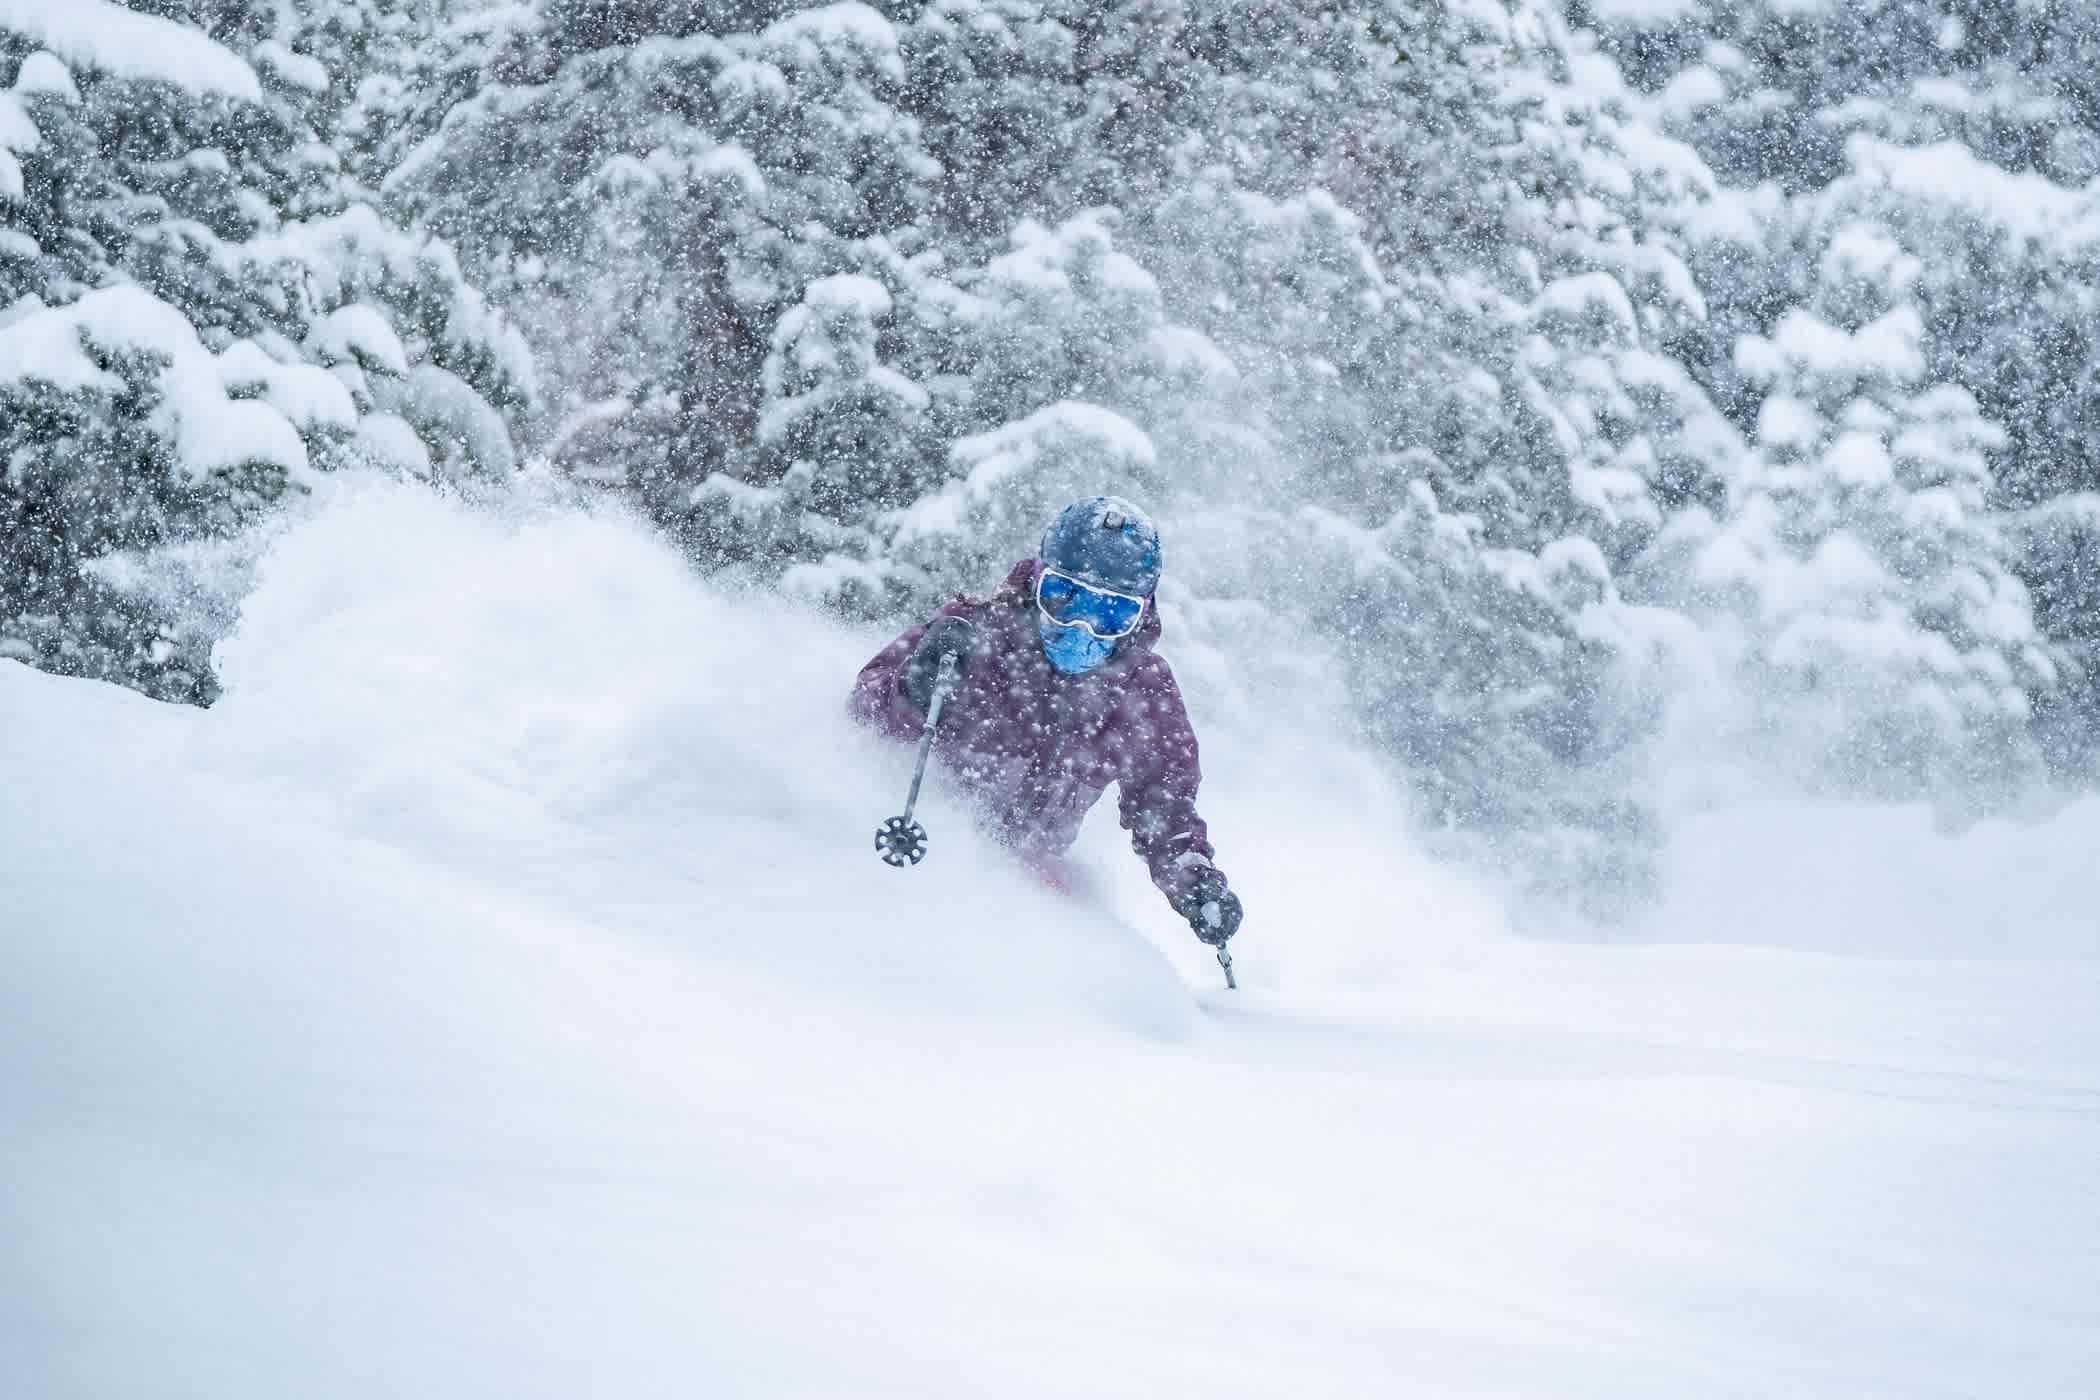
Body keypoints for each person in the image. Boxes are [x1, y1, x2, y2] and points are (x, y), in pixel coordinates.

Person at [851, 496, 1242, 949]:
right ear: (1037, 581)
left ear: (1140, 614)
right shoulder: (973, 633)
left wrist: (1193, 881)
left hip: (1028, 881)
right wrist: (910, 690)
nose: (1082, 626)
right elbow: (863, 710)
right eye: (1064, 598)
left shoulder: (1140, 690)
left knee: (1076, 950)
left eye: (1112, 614)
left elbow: (1163, 804)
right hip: (919, 850)